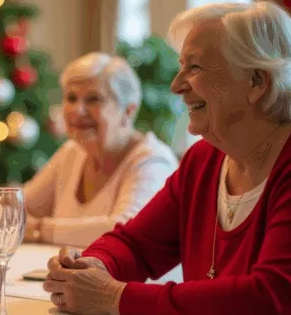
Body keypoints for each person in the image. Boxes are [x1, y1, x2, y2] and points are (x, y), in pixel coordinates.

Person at [43, 0, 291, 315]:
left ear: (257, 81)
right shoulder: (205, 159)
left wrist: (114, 297)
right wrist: (93, 265)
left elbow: (271, 304)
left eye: (194, 68)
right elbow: (137, 243)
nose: (177, 85)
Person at [23, 52, 179, 247]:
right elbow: (20, 207)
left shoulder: (153, 161)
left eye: (93, 99)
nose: (77, 110)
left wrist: (41, 229)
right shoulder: (72, 152)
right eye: (71, 98)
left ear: (128, 110)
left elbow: (127, 229)